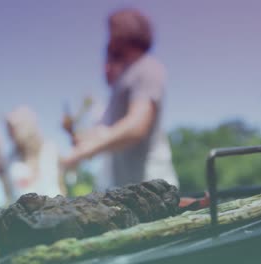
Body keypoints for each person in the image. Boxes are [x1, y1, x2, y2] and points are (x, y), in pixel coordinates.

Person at [62, 9, 179, 191]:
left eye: (112, 30)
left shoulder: (147, 68)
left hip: (153, 185)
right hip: (130, 188)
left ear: (127, 31)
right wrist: (79, 137)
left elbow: (136, 126)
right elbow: (105, 131)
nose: (109, 39)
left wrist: (83, 152)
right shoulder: (124, 80)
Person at [0, 105, 65, 202]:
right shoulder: (11, 160)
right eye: (9, 129)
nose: (10, 133)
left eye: (14, 127)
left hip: (55, 211)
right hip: (22, 214)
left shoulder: (49, 149)